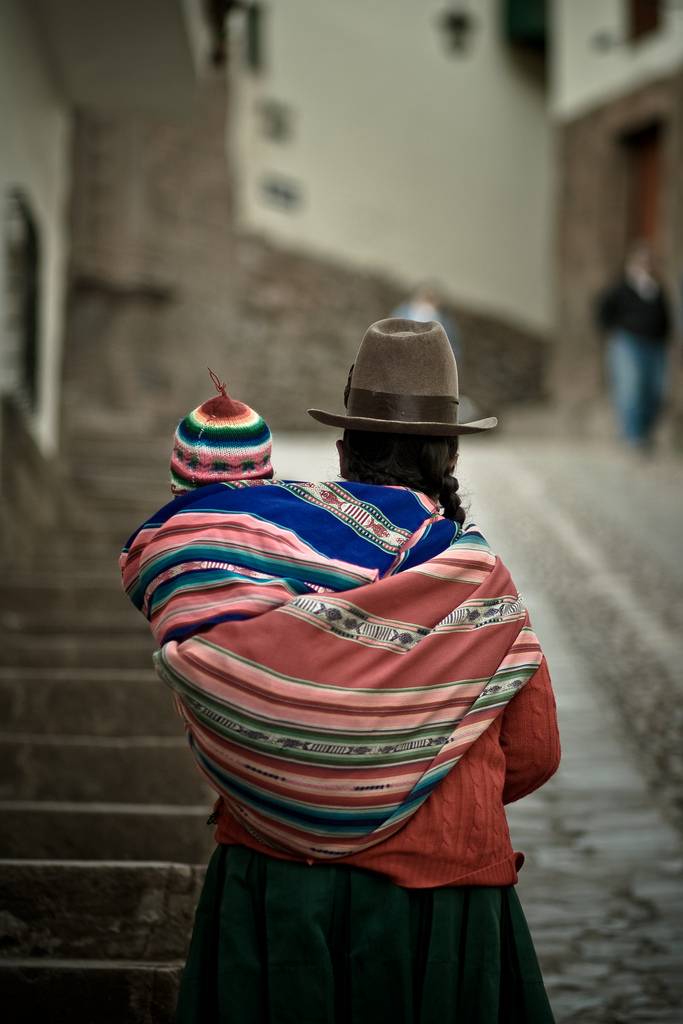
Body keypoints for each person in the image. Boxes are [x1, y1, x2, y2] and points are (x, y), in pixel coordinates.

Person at [121, 318, 560, 1023]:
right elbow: (534, 753)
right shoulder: (475, 578)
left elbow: (221, 677)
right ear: (448, 455)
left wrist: (321, 771)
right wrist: (407, 766)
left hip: (275, 883)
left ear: (341, 447)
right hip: (439, 891)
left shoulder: (270, 553)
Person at [596, 242, 672, 449]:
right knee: (631, 388)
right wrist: (613, 331)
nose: (646, 265)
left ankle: (645, 433)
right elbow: (603, 309)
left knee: (654, 391)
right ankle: (633, 436)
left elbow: (666, 317)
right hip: (629, 343)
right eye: (642, 261)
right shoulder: (621, 288)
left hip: (655, 345)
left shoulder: (657, 289)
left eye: (649, 262)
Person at [393, 283, 461, 360]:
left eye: (431, 299)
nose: (426, 303)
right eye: (424, 298)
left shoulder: (447, 324)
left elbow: (455, 352)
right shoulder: (401, 313)